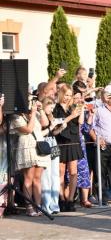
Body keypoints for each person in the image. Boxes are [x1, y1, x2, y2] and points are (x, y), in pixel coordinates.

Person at [10, 99, 50, 216]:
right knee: (29, 178)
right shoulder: (16, 117)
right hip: (27, 147)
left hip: (39, 147)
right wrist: (32, 113)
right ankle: (29, 207)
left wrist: (41, 109)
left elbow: (45, 123)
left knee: (37, 179)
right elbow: (28, 129)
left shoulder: (35, 113)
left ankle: (38, 206)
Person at [53, 84, 84, 212]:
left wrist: (81, 110)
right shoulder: (56, 108)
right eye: (66, 95)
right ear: (61, 94)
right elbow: (56, 124)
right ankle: (61, 199)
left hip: (73, 140)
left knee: (73, 172)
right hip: (60, 141)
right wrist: (71, 116)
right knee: (60, 172)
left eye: (70, 95)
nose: (68, 97)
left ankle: (71, 200)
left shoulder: (73, 107)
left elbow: (80, 122)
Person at [40, 97, 61, 214]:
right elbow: (41, 132)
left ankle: (54, 204)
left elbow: (53, 132)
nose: (52, 110)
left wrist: (61, 127)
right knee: (46, 175)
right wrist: (51, 127)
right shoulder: (40, 114)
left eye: (53, 107)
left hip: (53, 143)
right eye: (50, 107)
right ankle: (46, 204)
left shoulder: (50, 115)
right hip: (44, 145)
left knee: (55, 175)